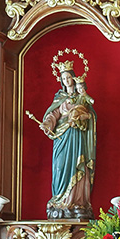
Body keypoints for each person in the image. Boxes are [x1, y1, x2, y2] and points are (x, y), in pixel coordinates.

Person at [38, 63, 95, 220]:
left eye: (69, 77)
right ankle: (60, 200)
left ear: (73, 78)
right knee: (60, 166)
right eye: (64, 78)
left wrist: (81, 116)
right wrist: (47, 124)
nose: (67, 80)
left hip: (77, 137)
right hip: (62, 138)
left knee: (78, 167)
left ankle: (77, 202)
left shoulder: (81, 98)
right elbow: (53, 114)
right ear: (61, 81)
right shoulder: (60, 98)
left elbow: (90, 116)